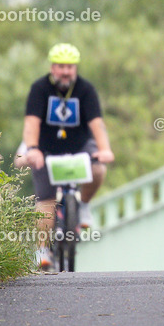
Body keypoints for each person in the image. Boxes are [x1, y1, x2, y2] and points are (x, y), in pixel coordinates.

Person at [21, 43, 115, 270]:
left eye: (70, 67)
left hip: (79, 145)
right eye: (61, 66)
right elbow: (31, 122)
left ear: (75, 68)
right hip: (46, 150)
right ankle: (42, 251)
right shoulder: (40, 89)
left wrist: (105, 149)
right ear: (53, 67)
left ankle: (82, 205)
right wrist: (32, 148)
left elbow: (97, 123)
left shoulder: (85, 90)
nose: (66, 71)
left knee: (98, 169)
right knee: (46, 202)